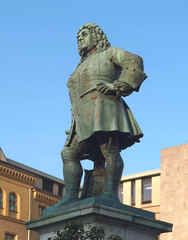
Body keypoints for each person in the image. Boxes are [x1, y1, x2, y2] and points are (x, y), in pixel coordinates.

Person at [44, 23, 147, 215]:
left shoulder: (109, 53)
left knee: (109, 149)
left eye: (84, 34)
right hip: (82, 117)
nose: (81, 39)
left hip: (104, 106)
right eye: (78, 37)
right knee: (69, 154)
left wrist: (119, 86)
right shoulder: (80, 66)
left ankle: (110, 193)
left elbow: (134, 60)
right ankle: (71, 197)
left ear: (96, 36)